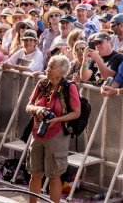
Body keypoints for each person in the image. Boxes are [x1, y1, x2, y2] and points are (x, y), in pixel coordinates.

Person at [25, 54, 81, 203]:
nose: (47, 69)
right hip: (38, 133)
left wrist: (56, 120)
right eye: (48, 66)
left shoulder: (69, 87)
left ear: (61, 71)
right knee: (35, 174)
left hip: (57, 136)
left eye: (51, 67)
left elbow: (76, 112)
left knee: (54, 177)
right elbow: (28, 106)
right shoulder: (42, 84)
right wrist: (37, 110)